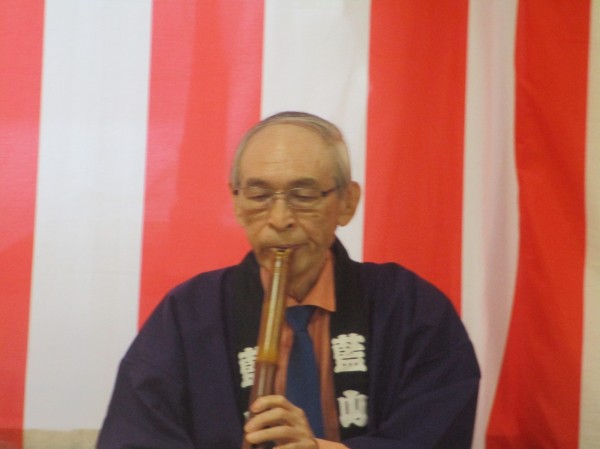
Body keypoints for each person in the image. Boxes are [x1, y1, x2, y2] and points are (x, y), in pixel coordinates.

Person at [97, 112, 480, 449]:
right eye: (259, 196)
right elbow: (134, 436)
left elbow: (440, 433)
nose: (280, 219)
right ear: (237, 202)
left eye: (304, 195)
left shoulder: (411, 308)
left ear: (347, 202)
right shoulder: (188, 315)